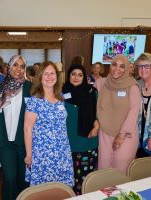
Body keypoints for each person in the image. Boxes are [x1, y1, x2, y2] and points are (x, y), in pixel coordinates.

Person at [24, 61, 74, 187]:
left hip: (62, 152)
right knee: (44, 191)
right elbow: (27, 129)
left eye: (52, 73)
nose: (49, 77)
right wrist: (29, 154)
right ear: (40, 77)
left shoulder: (61, 99)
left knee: (62, 189)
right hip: (42, 154)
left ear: (57, 77)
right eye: (45, 74)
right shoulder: (35, 101)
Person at [0, 55, 31, 200]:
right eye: (15, 65)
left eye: (22, 66)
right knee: (9, 178)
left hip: (24, 142)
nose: (18, 69)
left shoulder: (29, 88)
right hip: (5, 142)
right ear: (9, 67)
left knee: (23, 179)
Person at [97, 54, 141, 174]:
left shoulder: (132, 87)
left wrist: (121, 135)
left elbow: (133, 112)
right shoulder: (102, 83)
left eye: (122, 66)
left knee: (121, 169)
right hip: (105, 133)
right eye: (114, 65)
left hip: (126, 135)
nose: (117, 69)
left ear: (127, 68)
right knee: (104, 168)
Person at [62, 64, 99, 195]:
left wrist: (97, 126)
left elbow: (99, 113)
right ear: (68, 76)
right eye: (73, 74)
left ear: (84, 77)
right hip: (67, 144)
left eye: (80, 75)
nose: (76, 77)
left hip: (87, 142)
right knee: (68, 182)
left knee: (86, 182)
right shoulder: (61, 93)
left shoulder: (92, 92)